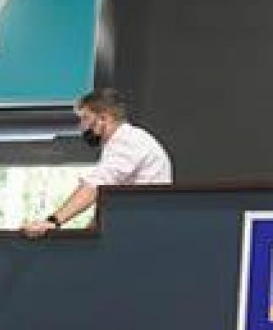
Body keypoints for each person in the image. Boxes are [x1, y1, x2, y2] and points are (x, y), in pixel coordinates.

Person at [22, 89, 173, 236]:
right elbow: (111, 201)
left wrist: (53, 222)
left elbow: (94, 187)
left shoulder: (128, 141)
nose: (81, 126)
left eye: (85, 118)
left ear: (104, 118)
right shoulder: (123, 142)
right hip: (139, 227)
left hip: (142, 232)